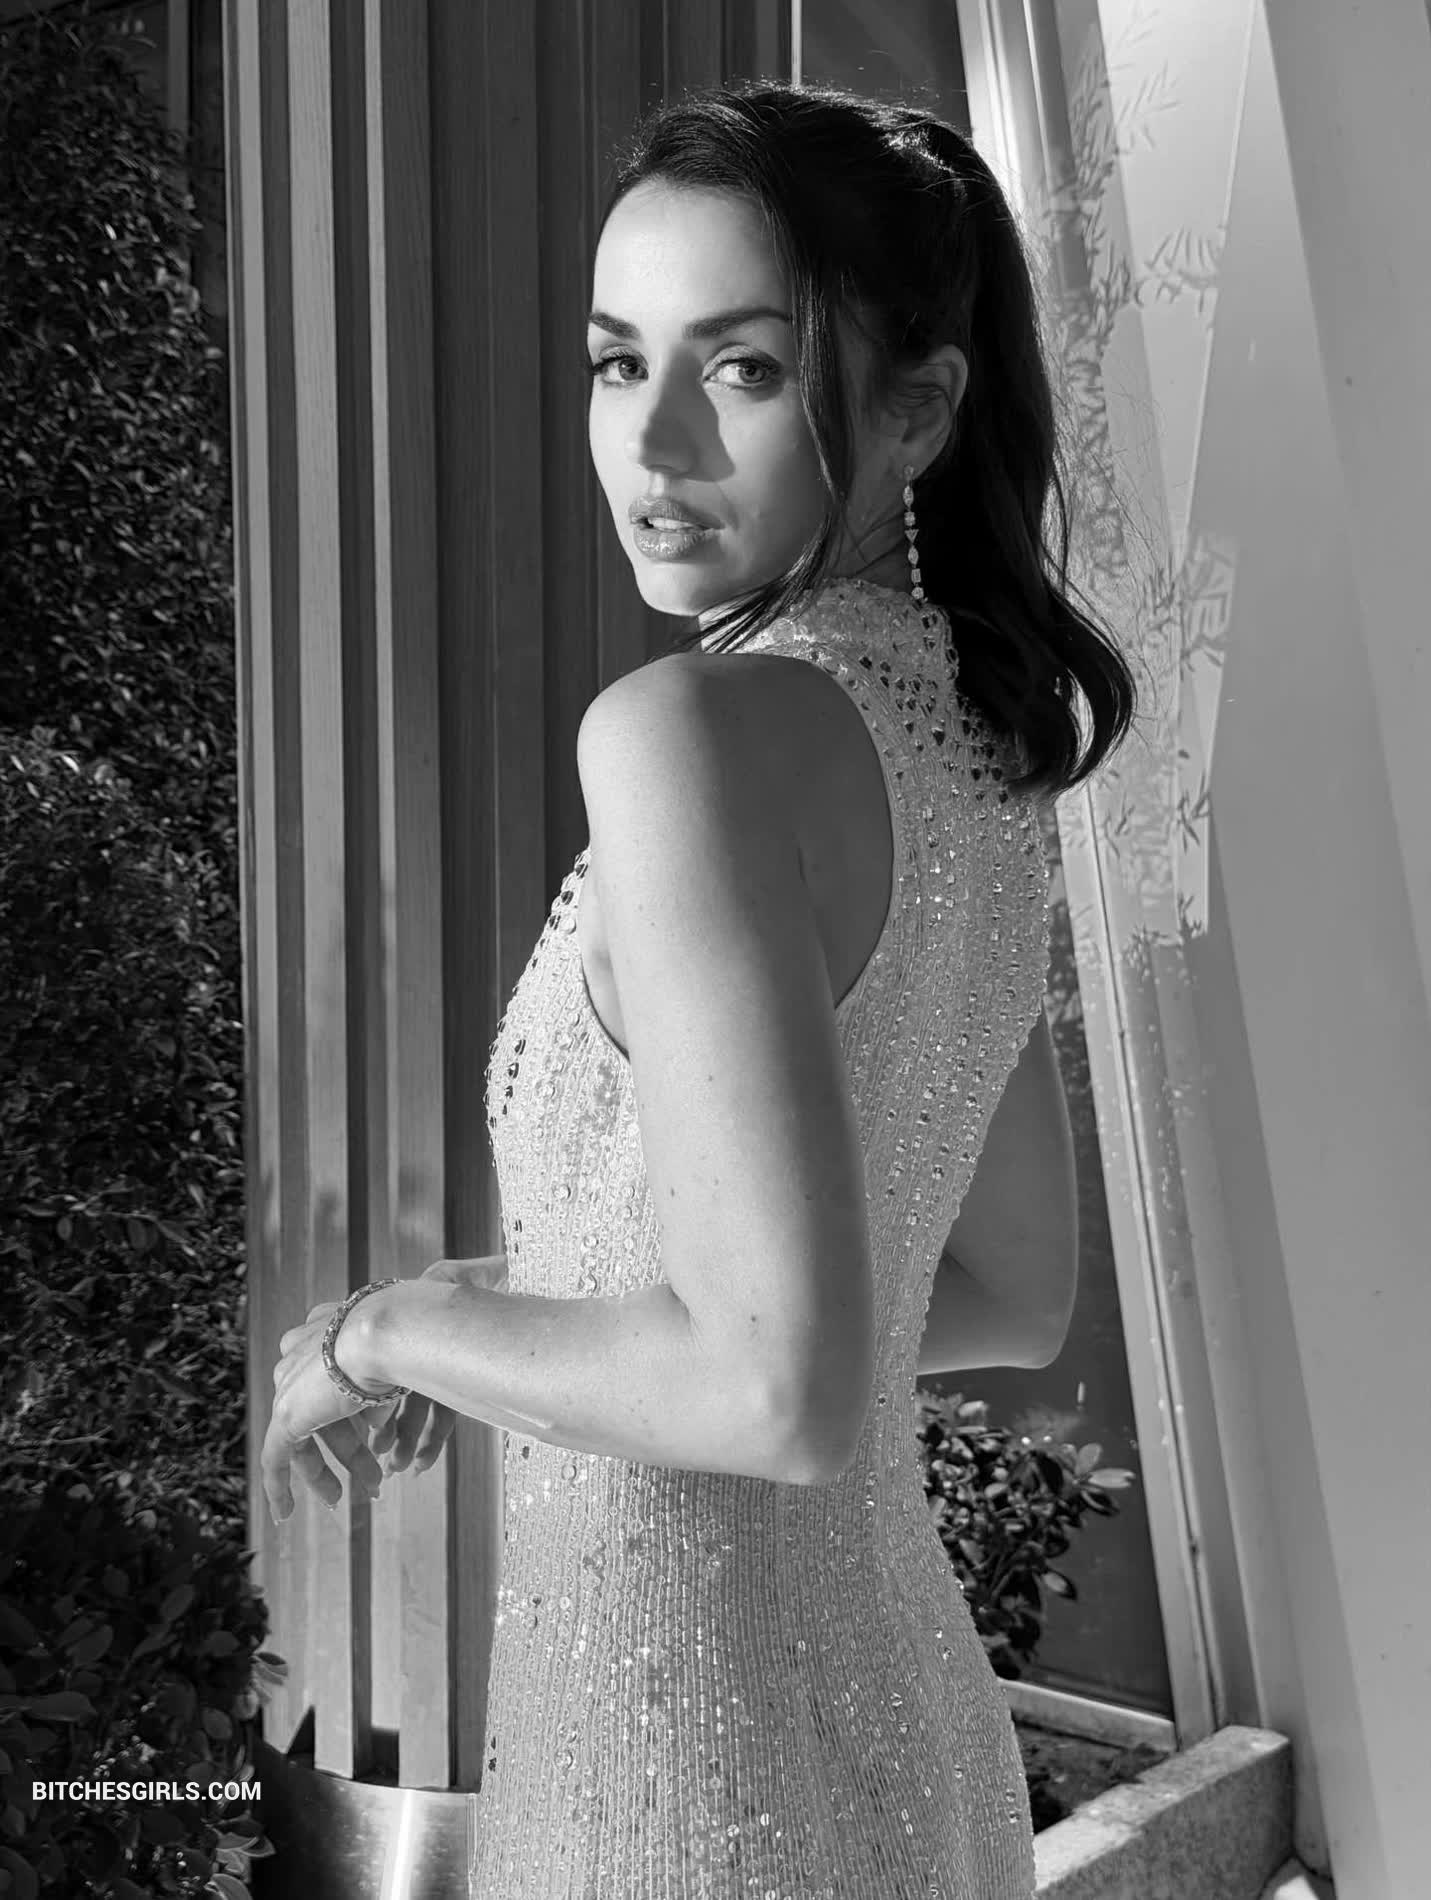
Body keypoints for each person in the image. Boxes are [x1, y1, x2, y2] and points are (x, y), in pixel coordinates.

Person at [262, 80, 1136, 1899]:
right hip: (904, 1741)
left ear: (919, 408)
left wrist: (386, 1332)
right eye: (616, 360)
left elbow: (769, 1389)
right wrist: (531, 1325)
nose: (650, 441)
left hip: (683, 1781)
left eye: (740, 367)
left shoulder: (689, 735)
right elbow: (998, 1290)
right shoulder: (975, 756)